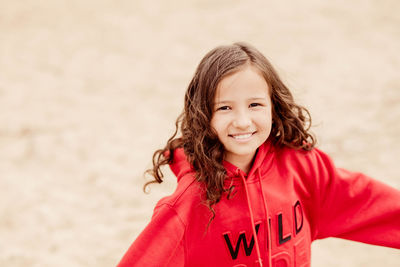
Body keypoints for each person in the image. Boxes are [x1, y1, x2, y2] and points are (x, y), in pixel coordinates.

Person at [117, 42, 400, 267]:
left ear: (273, 106)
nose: (242, 121)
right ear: (204, 115)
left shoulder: (301, 168)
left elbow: (372, 206)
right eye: (224, 108)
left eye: (254, 104)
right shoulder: (191, 202)